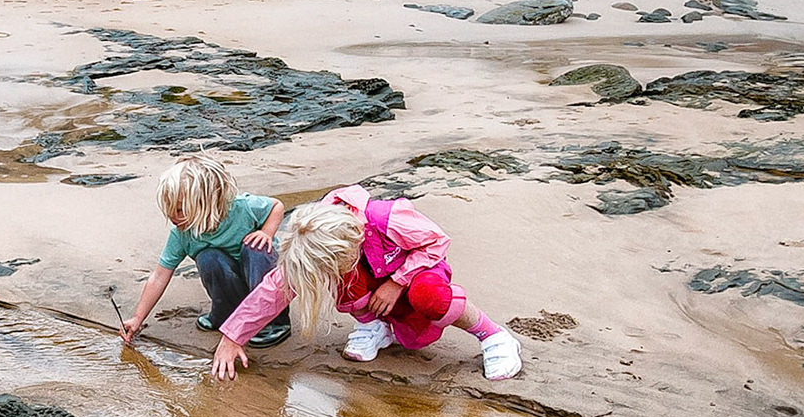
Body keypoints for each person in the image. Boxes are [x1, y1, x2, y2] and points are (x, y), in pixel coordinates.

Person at [210, 185, 521, 381]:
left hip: (418, 275)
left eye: (325, 268)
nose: (320, 277)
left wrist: (397, 282)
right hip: (375, 285)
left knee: (432, 297)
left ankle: (492, 336)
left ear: (348, 246)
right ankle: (374, 328)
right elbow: (274, 289)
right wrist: (233, 338)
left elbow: (437, 242)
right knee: (348, 286)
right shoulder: (312, 241)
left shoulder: (387, 217)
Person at [119, 156, 292, 350]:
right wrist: (137, 318)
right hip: (229, 282)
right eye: (169, 209)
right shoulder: (183, 235)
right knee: (208, 258)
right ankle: (226, 314)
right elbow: (159, 276)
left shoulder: (242, 208)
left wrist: (266, 233)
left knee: (256, 249)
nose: (172, 216)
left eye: (179, 210)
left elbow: (276, 206)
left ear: (207, 202)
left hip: (263, 279)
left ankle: (276, 321)